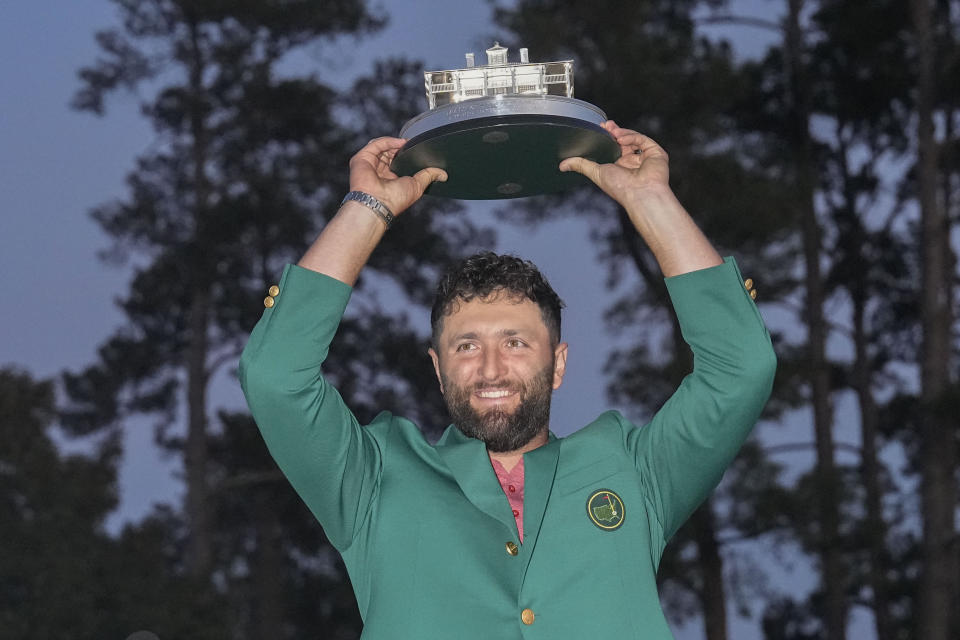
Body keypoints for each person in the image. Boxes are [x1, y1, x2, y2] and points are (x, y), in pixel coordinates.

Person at [239, 121, 776, 639]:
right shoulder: (373, 480)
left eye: (516, 344)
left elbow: (741, 369)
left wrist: (650, 200)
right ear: (437, 368)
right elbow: (274, 375)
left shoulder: (636, 473)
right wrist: (367, 208)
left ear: (558, 364)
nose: (491, 369)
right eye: (466, 346)